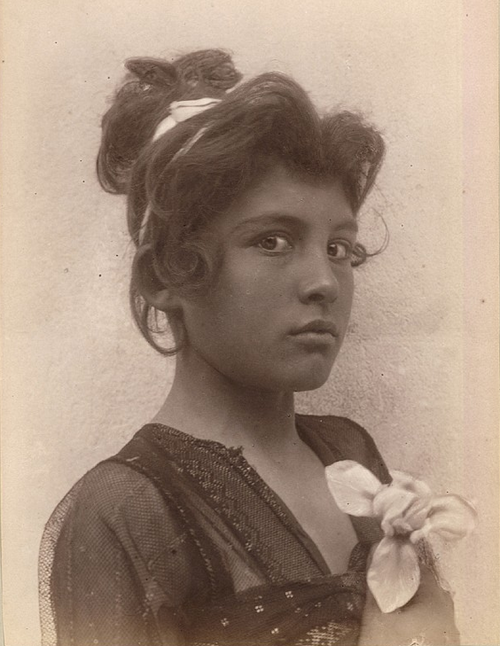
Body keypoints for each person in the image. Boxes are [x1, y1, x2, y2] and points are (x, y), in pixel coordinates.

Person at [39, 49, 459, 646]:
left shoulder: (347, 452)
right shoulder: (126, 509)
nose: (323, 282)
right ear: (166, 276)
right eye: (272, 240)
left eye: (340, 248)